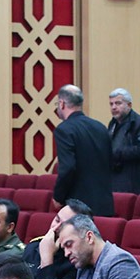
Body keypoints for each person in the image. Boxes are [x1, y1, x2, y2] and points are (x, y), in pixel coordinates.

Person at [52, 84, 114, 216]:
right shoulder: (101, 127)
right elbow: (111, 162)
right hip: (104, 203)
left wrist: (58, 196)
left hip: (78, 206)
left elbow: (68, 167)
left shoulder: (64, 129)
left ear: (62, 104)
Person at [57, 214, 140, 279]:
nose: (66, 253)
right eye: (64, 248)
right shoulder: (83, 263)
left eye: (69, 244)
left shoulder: (120, 262)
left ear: (89, 237)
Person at [22, 200, 88, 279]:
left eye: (64, 226)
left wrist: (46, 260)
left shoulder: (75, 263)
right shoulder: (33, 246)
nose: (55, 228)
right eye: (57, 220)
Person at [107, 88, 140, 194]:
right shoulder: (113, 123)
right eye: (111, 104)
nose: (114, 107)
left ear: (129, 105)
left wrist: (115, 153)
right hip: (116, 175)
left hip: (136, 180)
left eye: (118, 103)